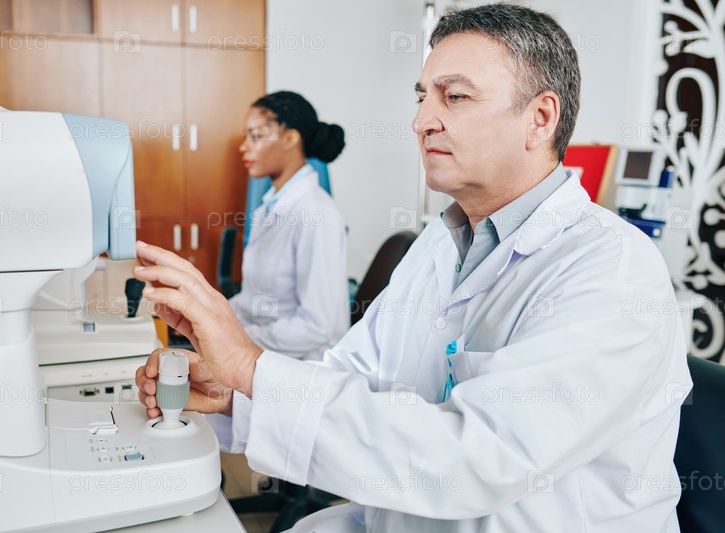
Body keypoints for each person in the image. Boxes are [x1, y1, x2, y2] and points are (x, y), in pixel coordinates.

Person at [134, 4, 692, 531]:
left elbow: (474, 460)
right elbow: (353, 375)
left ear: (540, 118)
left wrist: (252, 366)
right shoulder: (439, 244)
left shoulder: (612, 270)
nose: (421, 120)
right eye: (423, 97)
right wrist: (236, 394)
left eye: (456, 97)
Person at [229, 90, 350, 361]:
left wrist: (236, 337)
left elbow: (316, 327)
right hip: (265, 357)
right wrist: (211, 315)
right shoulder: (267, 208)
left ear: (290, 139)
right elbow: (251, 300)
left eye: (255, 136)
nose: (243, 146)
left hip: (304, 368)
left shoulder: (317, 216)